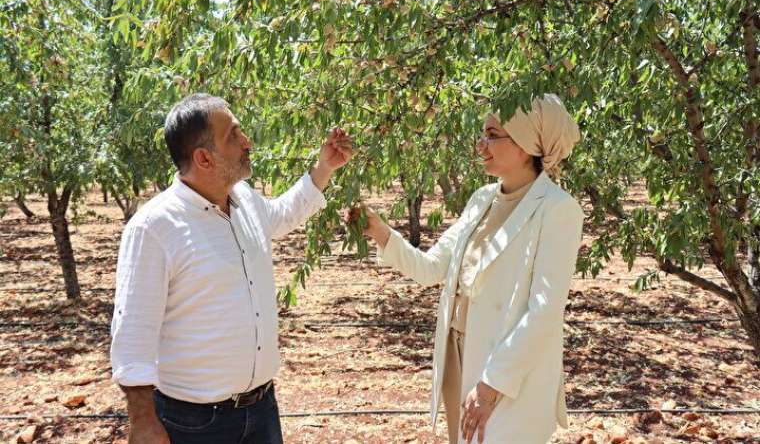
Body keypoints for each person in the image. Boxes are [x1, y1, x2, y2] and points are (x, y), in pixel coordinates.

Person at [110, 93, 353, 444]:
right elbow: (133, 331)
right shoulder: (155, 228)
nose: (246, 142)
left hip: (262, 410)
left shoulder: (245, 200)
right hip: (194, 424)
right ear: (204, 158)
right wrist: (143, 420)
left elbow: (284, 213)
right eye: (234, 135)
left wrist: (324, 168)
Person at [352, 94, 583, 444]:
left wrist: (492, 385)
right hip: (459, 359)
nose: (481, 145)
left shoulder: (557, 210)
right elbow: (432, 268)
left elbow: (544, 312)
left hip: (507, 375)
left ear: (525, 144)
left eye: (492, 134)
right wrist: (382, 233)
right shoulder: (481, 200)